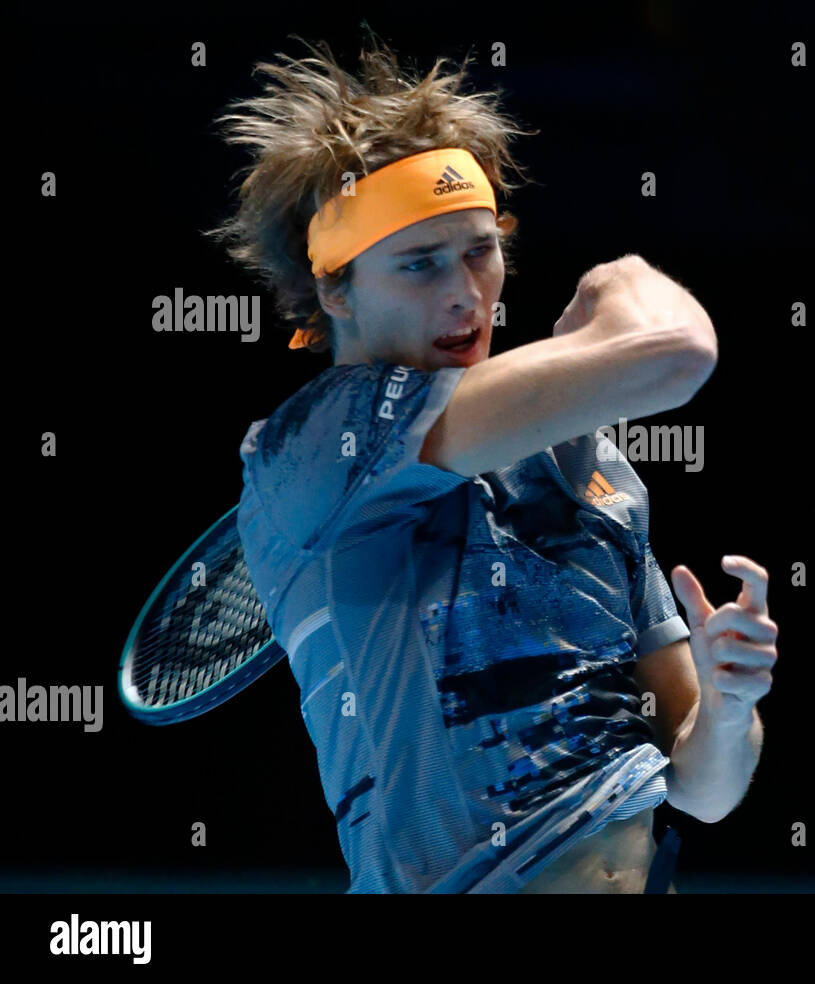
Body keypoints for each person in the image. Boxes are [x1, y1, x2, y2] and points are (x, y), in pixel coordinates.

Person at [206, 34, 776, 893]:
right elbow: (678, 351)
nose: (464, 294)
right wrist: (623, 276)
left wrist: (731, 705)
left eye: (480, 249)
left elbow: (703, 791)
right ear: (334, 290)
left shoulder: (592, 468)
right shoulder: (318, 447)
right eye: (420, 264)